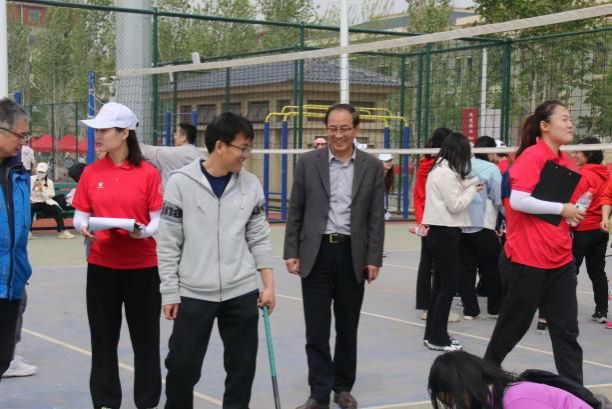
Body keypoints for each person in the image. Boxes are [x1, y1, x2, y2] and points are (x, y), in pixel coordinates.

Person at [158, 112, 275, 409]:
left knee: (242, 369)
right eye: (243, 147)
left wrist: (268, 285)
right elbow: (169, 243)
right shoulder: (180, 182)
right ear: (220, 146)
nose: (246, 155)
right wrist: (170, 291)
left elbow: (259, 237)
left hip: (241, 290)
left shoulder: (251, 184)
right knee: (181, 367)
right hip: (194, 292)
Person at [284, 103, 385, 409]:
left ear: (356, 130)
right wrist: (291, 250)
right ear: (326, 129)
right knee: (316, 328)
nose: (338, 135)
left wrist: (373, 257)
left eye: (345, 129)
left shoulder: (371, 166)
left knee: (347, 326)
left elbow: (375, 217)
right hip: (315, 253)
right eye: (333, 129)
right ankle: (318, 393)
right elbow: (296, 207)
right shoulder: (308, 162)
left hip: (352, 254)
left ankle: (342, 387)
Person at [484, 100, 585, 385]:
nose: (570, 124)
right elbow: (518, 200)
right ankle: (484, 377)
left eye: (570, 118)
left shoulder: (565, 162)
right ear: (545, 126)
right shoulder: (532, 156)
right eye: (564, 118)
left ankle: (577, 393)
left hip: (560, 259)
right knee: (512, 327)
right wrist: (562, 209)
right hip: (527, 260)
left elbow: (554, 208)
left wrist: (570, 215)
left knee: (566, 331)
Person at [72, 102, 164, 409]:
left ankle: (147, 403)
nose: (97, 136)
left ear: (124, 133)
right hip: (102, 268)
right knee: (103, 340)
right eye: (96, 130)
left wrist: (143, 232)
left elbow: (157, 219)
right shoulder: (91, 172)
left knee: (146, 342)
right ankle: (105, 402)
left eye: (104, 130)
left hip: (143, 269)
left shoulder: (148, 174)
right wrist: (83, 226)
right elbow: (80, 214)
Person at [421, 132, 481, 351]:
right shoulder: (445, 173)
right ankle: (438, 338)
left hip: (440, 233)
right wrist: (472, 190)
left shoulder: (440, 169)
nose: (469, 156)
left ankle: (434, 334)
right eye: (468, 152)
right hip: (446, 234)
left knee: (440, 287)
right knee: (447, 287)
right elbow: (455, 205)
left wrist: (469, 184)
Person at [428, 351, 592, 409]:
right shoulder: (494, 398)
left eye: (456, 401)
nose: (457, 407)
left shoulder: (517, 399)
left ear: (467, 385)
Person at [0, 98, 33, 380]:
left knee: (3, 358)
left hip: (11, 282)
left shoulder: (18, 173)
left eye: (26, 136)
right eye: (19, 135)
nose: (23, 142)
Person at [459, 136, 504, 320]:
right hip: (484, 224)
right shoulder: (492, 169)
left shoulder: (462, 166)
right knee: (493, 268)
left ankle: (470, 310)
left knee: (466, 269)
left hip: (462, 224)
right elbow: (499, 199)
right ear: (491, 151)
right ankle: (494, 309)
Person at [413, 127, 453, 321]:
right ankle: (434, 308)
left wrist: (421, 220)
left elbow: (417, 195)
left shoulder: (425, 165)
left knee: (427, 263)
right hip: (437, 220)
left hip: (427, 219)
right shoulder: (440, 168)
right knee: (439, 265)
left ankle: (425, 305)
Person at [570, 137, 609, 323]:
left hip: (582, 229)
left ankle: (563, 309)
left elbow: (575, 205)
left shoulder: (583, 175)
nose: (574, 155)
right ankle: (601, 311)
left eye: (578, 152)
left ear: (588, 154)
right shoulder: (606, 174)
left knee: (570, 272)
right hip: (601, 230)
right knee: (597, 271)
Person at [140, 122, 205, 186]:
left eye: (176, 134)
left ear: (184, 138)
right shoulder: (200, 155)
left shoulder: (171, 154)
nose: (174, 137)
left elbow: (149, 151)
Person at [29, 162, 75, 239]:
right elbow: (27, 192)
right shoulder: (31, 179)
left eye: (42, 172)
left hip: (45, 202)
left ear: (46, 172)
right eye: (39, 171)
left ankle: (62, 231)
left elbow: (50, 195)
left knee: (57, 209)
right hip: (33, 202)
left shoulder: (49, 182)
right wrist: (33, 188)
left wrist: (42, 190)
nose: (40, 173)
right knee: (29, 209)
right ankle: (28, 232)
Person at [378, 153, 394, 221]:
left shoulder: (387, 176)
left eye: (390, 161)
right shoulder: (376, 176)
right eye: (386, 161)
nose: (389, 163)